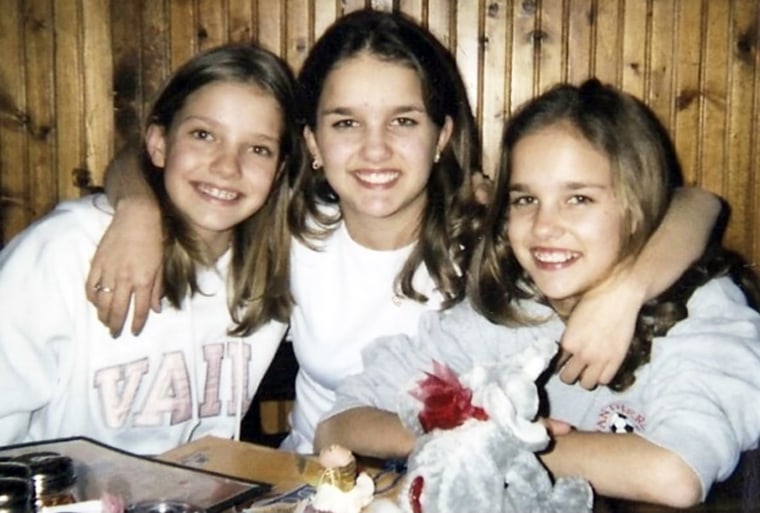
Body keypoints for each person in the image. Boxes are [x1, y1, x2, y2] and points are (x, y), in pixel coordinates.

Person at [84, 10, 720, 454]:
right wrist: (137, 208)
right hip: (317, 478)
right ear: (310, 142)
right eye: (345, 123)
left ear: (442, 136)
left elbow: (696, 203)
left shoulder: (494, 233)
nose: (376, 151)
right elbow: (149, 161)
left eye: (404, 121)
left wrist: (627, 289)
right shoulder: (283, 225)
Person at [313, 79, 760, 508]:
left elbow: (676, 475)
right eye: (525, 200)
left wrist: (508, 443)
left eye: (579, 198)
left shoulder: (705, 312)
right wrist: (473, 435)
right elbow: (338, 425)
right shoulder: (514, 310)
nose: (544, 227)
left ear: (638, 204)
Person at [0, 42, 304, 454]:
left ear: (279, 169)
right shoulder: (66, 250)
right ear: (159, 144)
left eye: (258, 149)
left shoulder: (277, 266)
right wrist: (137, 206)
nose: (227, 166)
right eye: (203, 135)